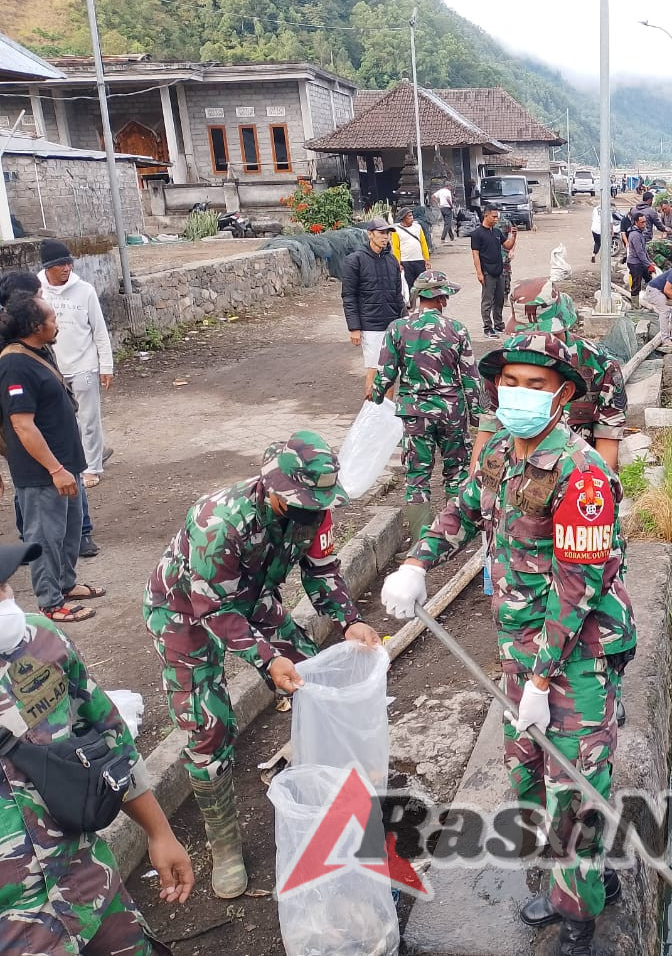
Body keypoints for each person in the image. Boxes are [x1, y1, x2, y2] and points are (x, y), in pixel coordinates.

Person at [381, 332, 636, 956]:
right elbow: (467, 507)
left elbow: (576, 590)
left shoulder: (583, 477)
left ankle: (580, 924)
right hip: (522, 650)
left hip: (577, 656)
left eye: (536, 384)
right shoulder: (499, 448)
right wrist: (417, 562)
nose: (518, 395)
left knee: (573, 789)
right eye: (509, 382)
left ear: (564, 394)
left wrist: (543, 683)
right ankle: (577, 877)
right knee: (526, 776)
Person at [142, 432, 381, 899]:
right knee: (207, 723)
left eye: (319, 503)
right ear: (272, 489)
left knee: (311, 679)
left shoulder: (313, 510)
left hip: (252, 600)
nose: (312, 512)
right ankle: (225, 845)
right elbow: (214, 609)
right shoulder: (219, 520)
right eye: (302, 503)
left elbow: (322, 568)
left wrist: (349, 619)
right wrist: (267, 659)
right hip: (185, 611)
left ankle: (329, 794)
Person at [0, 541, 194, 954]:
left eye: (2, 584)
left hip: (90, 889)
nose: (6, 601)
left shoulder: (39, 639)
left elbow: (108, 734)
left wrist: (159, 832)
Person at [0, 295, 104, 624]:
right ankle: (49, 602)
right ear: (35, 327)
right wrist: (55, 469)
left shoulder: (40, 351)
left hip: (64, 464)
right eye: (51, 318)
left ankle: (65, 584)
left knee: (70, 531)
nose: (56, 323)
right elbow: (22, 424)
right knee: (44, 536)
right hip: (43, 472)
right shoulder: (14, 364)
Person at [370, 272, 486, 542]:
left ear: (419, 296)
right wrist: (478, 415)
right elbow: (470, 376)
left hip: (414, 412)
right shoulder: (456, 329)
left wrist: (375, 398)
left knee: (417, 476)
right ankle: (457, 536)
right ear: (442, 298)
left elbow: (385, 374)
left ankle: (423, 541)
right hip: (451, 411)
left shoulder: (397, 328)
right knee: (456, 472)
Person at [474, 281, 626, 471]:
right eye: (529, 335)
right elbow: (487, 432)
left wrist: (596, 486)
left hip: (574, 475)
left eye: (547, 334)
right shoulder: (502, 366)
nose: (538, 343)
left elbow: (607, 440)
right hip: (510, 474)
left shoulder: (601, 366)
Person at [38, 239, 113, 490]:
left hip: (85, 364)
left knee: (88, 418)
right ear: (47, 267)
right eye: (59, 264)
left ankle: (91, 467)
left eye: (68, 263)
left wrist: (106, 366)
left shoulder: (85, 290)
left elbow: (99, 330)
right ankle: (69, 461)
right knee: (62, 419)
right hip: (53, 367)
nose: (65, 268)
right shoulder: (38, 291)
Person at [341, 217, 405, 399]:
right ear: (370, 234)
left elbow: (398, 294)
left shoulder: (392, 260)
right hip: (370, 325)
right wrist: (354, 328)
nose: (385, 238)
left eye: (388, 234)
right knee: (375, 369)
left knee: (392, 371)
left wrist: (405, 321)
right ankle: (371, 412)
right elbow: (349, 296)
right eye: (381, 233)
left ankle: (387, 412)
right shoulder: (355, 260)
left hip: (392, 323)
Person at [471, 206, 515, 338]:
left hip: (499, 271)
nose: (496, 219)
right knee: (487, 301)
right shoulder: (477, 234)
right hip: (487, 272)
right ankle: (487, 328)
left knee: (499, 299)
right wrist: (479, 273)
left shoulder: (496, 232)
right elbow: (476, 255)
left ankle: (499, 324)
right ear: (486, 216)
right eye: (493, 216)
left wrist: (513, 236)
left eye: (497, 216)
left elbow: (507, 245)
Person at [391, 208, 431, 290]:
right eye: (409, 216)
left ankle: (422, 302)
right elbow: (396, 248)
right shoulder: (396, 230)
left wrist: (426, 259)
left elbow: (423, 244)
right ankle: (412, 302)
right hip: (406, 262)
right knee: (409, 286)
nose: (412, 217)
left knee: (422, 286)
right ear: (403, 218)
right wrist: (398, 263)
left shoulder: (418, 227)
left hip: (419, 260)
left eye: (412, 215)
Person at [625, 214, 656, 308]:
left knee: (649, 280)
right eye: (642, 222)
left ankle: (651, 300)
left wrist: (649, 262)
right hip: (635, 263)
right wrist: (648, 264)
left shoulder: (639, 233)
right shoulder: (635, 235)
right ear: (636, 222)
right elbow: (639, 252)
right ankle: (635, 306)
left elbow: (644, 250)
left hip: (641, 262)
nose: (644, 224)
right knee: (636, 285)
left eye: (645, 222)